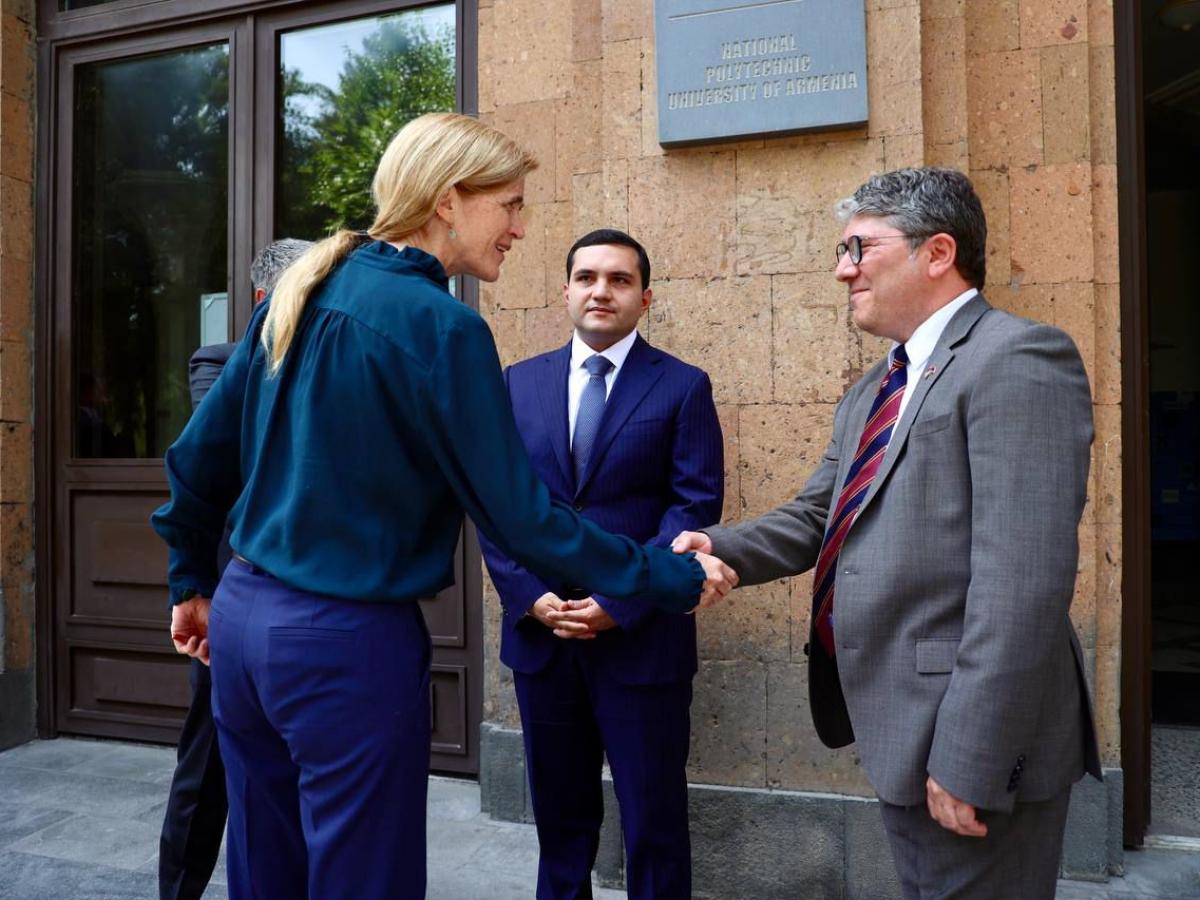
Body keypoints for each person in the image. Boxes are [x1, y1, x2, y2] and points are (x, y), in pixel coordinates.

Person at [150, 112, 736, 900]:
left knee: (267, 878)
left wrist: (191, 584)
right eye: (512, 204)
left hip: (245, 624)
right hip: (343, 644)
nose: (521, 229)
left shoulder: (305, 288)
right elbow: (524, 520)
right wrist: (666, 580)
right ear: (451, 199)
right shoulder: (445, 328)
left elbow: (194, 463)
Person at [673, 167, 1101, 899]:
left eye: (858, 248)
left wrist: (971, 757)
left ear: (937, 253)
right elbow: (819, 514)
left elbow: (1022, 583)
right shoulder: (878, 386)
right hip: (901, 726)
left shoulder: (1019, 359)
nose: (843, 270)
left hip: (969, 737)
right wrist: (721, 550)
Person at [479, 229, 723, 899]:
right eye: (587, 277)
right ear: (565, 292)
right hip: (544, 638)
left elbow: (691, 511)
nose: (600, 290)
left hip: (642, 644)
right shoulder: (517, 384)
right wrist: (527, 595)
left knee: (655, 822)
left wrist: (623, 602)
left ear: (645, 298)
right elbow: (495, 504)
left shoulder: (681, 387)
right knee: (560, 824)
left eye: (618, 280)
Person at [158, 237, 311, 900]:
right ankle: (180, 889)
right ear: (266, 299)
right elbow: (236, 462)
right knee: (208, 761)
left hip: (321, 609)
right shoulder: (218, 365)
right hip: (234, 600)